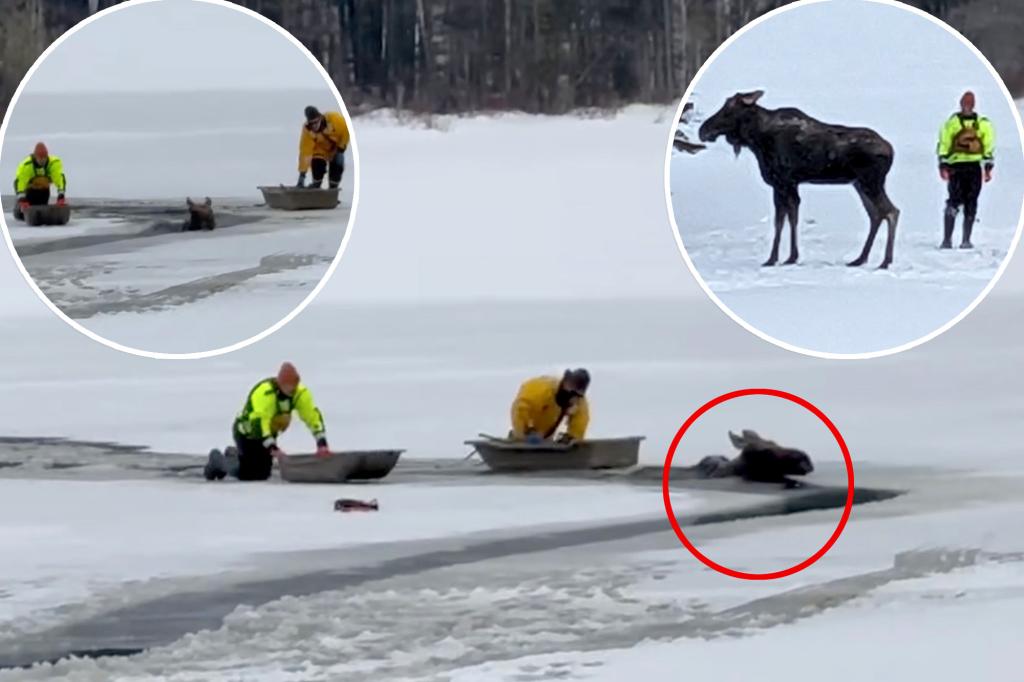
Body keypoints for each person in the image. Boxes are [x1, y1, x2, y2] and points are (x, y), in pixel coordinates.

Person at [204, 362, 331, 481]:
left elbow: (312, 416)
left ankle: (234, 454)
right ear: (280, 384)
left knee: (264, 473)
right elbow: (259, 424)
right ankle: (217, 460)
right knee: (250, 474)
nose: (292, 393)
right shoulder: (265, 393)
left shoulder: (300, 393)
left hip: (269, 434)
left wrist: (321, 443)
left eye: (294, 389)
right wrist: (273, 448)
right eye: (289, 390)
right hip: (248, 434)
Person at [937, 91, 996, 249]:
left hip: (957, 166)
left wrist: (943, 163)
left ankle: (949, 240)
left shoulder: (953, 122)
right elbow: (988, 146)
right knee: (970, 201)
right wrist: (988, 166)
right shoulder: (982, 123)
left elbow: (944, 143)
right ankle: (964, 240)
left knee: (954, 201)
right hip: (972, 167)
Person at [509, 368, 591, 445]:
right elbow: (520, 407)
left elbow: (580, 424)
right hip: (527, 425)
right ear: (565, 380)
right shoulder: (542, 390)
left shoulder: (579, 403)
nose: (570, 393)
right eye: (569, 386)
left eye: (575, 392)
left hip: (546, 434)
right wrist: (523, 433)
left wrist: (571, 438)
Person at [297, 106, 350, 190]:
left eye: (316, 122)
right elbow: (305, 151)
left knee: (337, 164)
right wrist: (302, 174)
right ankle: (316, 185)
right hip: (320, 150)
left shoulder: (336, 120)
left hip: (336, 148)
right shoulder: (307, 130)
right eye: (311, 123)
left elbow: (347, 131)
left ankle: (333, 189)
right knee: (317, 166)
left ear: (320, 118)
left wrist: (341, 147)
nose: (314, 126)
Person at [12, 142, 66, 221]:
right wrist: (22, 198)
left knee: (41, 212)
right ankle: (18, 207)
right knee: (21, 216)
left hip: (44, 192)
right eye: (40, 158)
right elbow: (20, 182)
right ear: (35, 157)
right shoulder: (27, 165)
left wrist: (61, 195)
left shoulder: (53, 164)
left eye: (44, 158)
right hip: (30, 191)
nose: (42, 161)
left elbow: (59, 179)